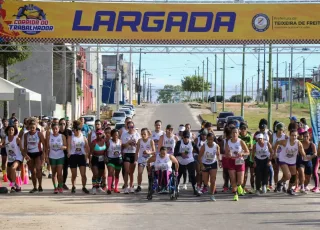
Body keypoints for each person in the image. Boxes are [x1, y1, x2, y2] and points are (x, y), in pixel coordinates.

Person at [274, 129, 307, 195]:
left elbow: (302, 152)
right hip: (283, 159)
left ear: (297, 135)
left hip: (292, 161)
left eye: (295, 135)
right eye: (292, 135)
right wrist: (275, 152)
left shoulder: (298, 143)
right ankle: (280, 182)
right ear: (290, 135)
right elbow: (277, 143)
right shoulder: (285, 142)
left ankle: (289, 189)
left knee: (293, 176)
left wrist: (305, 156)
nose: (294, 137)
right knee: (288, 176)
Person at [225, 127, 250, 201]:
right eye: (233, 132)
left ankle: (239, 186)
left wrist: (242, 153)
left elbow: (247, 152)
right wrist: (228, 154)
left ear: (238, 134)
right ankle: (235, 194)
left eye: (236, 132)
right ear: (231, 134)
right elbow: (226, 154)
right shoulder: (228, 142)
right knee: (233, 179)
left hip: (239, 162)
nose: (234, 134)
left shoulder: (241, 141)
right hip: (231, 161)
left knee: (240, 181)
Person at [174, 130, 201, 196]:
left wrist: (200, 158)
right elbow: (175, 153)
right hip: (181, 161)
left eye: (187, 137)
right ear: (182, 137)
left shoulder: (192, 143)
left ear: (189, 137)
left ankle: (195, 189)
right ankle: (176, 189)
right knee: (179, 175)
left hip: (190, 160)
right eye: (185, 137)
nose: (186, 139)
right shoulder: (179, 143)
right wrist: (181, 154)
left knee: (192, 175)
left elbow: (198, 151)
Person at [23, 120, 46, 193]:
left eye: (33, 127)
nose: (32, 128)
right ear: (29, 127)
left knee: (39, 170)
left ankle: (40, 186)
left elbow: (44, 144)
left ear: (36, 127)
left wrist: (44, 155)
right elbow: (25, 146)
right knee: (33, 172)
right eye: (31, 127)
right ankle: (35, 187)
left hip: (38, 153)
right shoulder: (26, 135)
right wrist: (25, 155)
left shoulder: (39, 134)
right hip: (30, 154)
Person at [68, 120, 90, 194]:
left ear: (79, 130)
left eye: (76, 130)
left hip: (81, 156)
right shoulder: (71, 137)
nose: (75, 131)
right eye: (74, 130)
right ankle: (73, 186)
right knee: (74, 174)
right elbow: (68, 147)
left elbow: (87, 147)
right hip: (73, 156)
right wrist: (69, 153)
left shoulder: (83, 138)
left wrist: (86, 156)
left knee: (83, 174)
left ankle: (84, 187)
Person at [198, 133, 221, 201]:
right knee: (205, 181)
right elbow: (199, 157)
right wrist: (201, 165)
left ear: (213, 139)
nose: (210, 141)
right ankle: (208, 187)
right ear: (207, 139)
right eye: (209, 139)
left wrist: (219, 161)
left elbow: (218, 155)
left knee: (213, 180)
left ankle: (212, 194)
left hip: (213, 163)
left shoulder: (216, 146)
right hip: (205, 164)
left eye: (211, 139)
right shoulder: (204, 146)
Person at [0, 125, 23, 192]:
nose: (11, 131)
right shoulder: (5, 138)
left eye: (12, 130)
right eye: (9, 130)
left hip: (18, 158)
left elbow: (21, 149)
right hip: (10, 159)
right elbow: (2, 144)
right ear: (7, 131)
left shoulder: (17, 139)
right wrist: (1, 145)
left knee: (13, 168)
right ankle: (18, 186)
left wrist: (26, 155)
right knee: (9, 176)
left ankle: (12, 186)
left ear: (14, 131)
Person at [47, 123, 67, 194]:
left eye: (56, 129)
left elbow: (66, 146)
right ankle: (55, 187)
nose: (55, 130)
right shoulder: (49, 137)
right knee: (54, 173)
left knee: (59, 173)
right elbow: (47, 148)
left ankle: (60, 187)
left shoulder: (62, 136)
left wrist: (63, 147)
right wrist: (46, 157)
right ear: (52, 129)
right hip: (52, 157)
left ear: (58, 129)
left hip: (60, 156)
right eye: (54, 129)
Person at [121, 121, 140, 194]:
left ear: (134, 127)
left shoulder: (137, 134)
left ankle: (131, 186)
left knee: (131, 172)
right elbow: (122, 145)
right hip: (127, 153)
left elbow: (139, 145)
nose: (131, 128)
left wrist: (135, 144)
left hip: (134, 153)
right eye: (129, 127)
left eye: (132, 127)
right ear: (127, 127)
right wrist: (128, 143)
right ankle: (126, 186)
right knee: (126, 170)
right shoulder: (124, 134)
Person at [135, 128, 155, 192]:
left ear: (148, 134)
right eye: (142, 134)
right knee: (140, 172)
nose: (143, 135)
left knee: (149, 173)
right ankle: (139, 186)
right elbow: (137, 151)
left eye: (144, 134)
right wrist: (136, 159)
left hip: (149, 159)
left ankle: (150, 185)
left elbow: (154, 151)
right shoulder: (139, 141)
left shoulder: (151, 141)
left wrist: (149, 152)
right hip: (141, 159)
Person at [89, 129, 107, 195]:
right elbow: (90, 153)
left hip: (102, 159)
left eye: (100, 134)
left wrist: (105, 157)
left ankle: (98, 186)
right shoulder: (94, 142)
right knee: (95, 174)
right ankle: (94, 187)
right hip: (95, 159)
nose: (99, 135)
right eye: (97, 134)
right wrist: (90, 162)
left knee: (100, 174)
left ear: (102, 134)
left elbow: (105, 151)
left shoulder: (104, 141)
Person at [270, 122, 287, 190]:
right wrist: (273, 153)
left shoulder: (285, 136)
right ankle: (276, 185)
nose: (280, 131)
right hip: (275, 156)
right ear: (276, 129)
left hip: (283, 156)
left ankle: (283, 183)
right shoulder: (272, 136)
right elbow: (270, 146)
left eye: (282, 130)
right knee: (276, 170)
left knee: (284, 171)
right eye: (279, 129)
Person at [238, 122, 254, 193]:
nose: (243, 130)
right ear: (240, 129)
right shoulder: (238, 137)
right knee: (239, 173)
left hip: (247, 157)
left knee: (245, 174)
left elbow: (250, 147)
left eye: (244, 128)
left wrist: (245, 149)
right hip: (239, 157)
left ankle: (243, 187)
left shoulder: (249, 136)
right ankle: (238, 186)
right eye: (242, 129)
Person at [106, 129, 122, 194]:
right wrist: (105, 157)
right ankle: (109, 188)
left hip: (118, 159)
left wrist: (122, 158)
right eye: (114, 135)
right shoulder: (109, 142)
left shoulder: (120, 141)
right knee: (110, 172)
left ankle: (116, 188)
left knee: (117, 174)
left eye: (117, 135)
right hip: (111, 159)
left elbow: (122, 149)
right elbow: (105, 150)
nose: (116, 136)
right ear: (112, 135)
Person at [58, 118, 72, 190]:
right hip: (58, 153)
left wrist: (69, 151)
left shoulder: (69, 132)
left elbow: (71, 143)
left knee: (65, 169)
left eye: (64, 124)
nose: (62, 125)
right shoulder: (56, 132)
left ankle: (63, 183)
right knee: (59, 169)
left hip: (66, 152)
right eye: (61, 124)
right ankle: (59, 183)